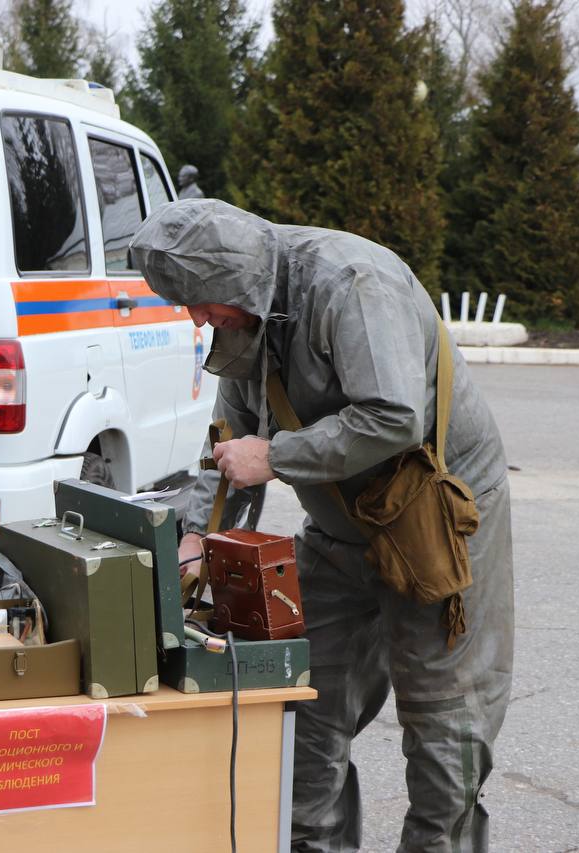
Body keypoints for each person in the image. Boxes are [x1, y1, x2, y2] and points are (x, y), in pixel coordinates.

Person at [129, 199, 513, 852]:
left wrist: (274, 457)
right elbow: (229, 442)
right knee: (302, 708)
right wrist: (196, 537)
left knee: (446, 727)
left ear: (235, 278)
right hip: (339, 532)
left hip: (437, 519)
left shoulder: (351, 282)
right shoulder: (242, 311)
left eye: (201, 300)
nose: (195, 317)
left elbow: (394, 418)